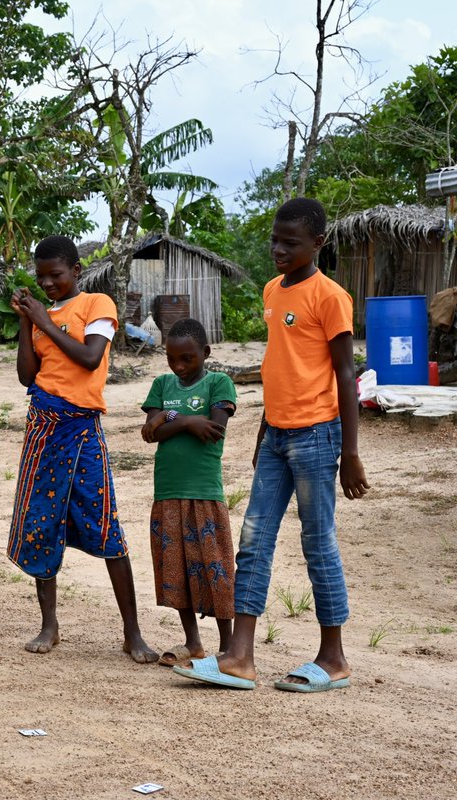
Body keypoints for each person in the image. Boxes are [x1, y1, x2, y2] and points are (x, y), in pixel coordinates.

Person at [174, 197, 369, 692]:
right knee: (254, 541)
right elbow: (279, 366)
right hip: (278, 434)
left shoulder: (330, 297)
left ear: (318, 243)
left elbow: (346, 375)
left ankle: (333, 657)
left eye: (291, 242)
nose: (278, 249)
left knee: (317, 542)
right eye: (275, 240)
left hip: (319, 436)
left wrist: (350, 451)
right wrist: (264, 430)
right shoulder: (271, 291)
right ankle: (239, 656)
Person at [6, 235, 157, 663]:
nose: (49, 283)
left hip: (81, 429)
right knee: (42, 523)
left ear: (76, 270)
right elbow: (26, 376)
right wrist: (26, 322)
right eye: (41, 277)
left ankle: (132, 633)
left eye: (56, 274)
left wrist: (45, 321)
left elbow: (91, 358)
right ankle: (49, 626)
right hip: (43, 427)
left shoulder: (97, 303)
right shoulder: (40, 315)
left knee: (105, 523)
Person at [140, 317, 236, 667]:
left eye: (187, 359)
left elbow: (214, 429)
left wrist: (171, 418)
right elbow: (151, 432)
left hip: (204, 492)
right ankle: (192, 642)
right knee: (176, 568)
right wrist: (187, 421)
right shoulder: (162, 383)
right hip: (168, 492)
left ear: (205, 353)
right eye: (172, 359)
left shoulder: (219, 382)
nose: (178, 367)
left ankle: (228, 647)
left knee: (215, 568)